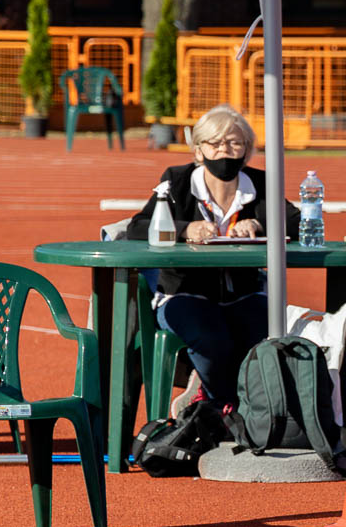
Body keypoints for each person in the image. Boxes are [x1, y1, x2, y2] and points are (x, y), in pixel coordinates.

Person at [124, 104, 300, 413]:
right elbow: (137, 228)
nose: (224, 151)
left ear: (247, 149)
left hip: (243, 293)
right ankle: (225, 408)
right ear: (199, 148)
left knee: (271, 336)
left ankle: (242, 407)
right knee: (212, 337)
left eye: (234, 143)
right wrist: (184, 229)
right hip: (183, 293)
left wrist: (259, 224)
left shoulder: (260, 185)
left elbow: (298, 222)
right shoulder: (176, 181)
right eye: (215, 143)